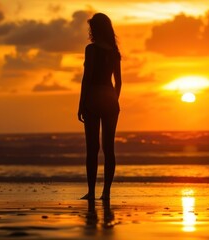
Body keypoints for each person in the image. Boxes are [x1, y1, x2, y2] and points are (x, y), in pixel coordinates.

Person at [77, 13, 121, 200]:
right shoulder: (114, 51)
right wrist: (113, 99)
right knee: (109, 149)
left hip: (94, 97)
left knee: (92, 148)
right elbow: (118, 82)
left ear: (95, 29)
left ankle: (92, 192)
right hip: (110, 99)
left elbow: (87, 78)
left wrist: (81, 103)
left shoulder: (91, 49)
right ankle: (106, 192)